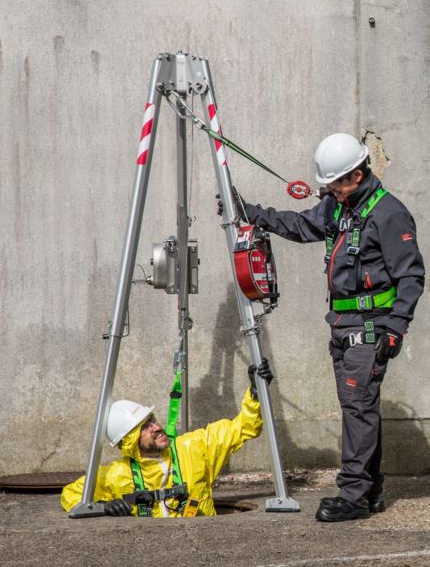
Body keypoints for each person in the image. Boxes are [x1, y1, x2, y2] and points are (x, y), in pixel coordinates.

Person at [231, 133, 425, 522]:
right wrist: (252, 213)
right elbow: (301, 226)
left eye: (334, 183)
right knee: (360, 408)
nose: (328, 190)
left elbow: (412, 277)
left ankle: (352, 496)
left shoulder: (389, 214)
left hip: (370, 329)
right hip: (342, 324)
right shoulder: (340, 207)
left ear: (356, 174)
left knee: (357, 407)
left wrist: (396, 327)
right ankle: (369, 490)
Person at [61, 360, 272, 517]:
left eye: (152, 420)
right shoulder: (117, 475)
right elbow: (71, 493)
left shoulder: (194, 447)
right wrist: (102, 507)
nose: (156, 427)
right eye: (145, 427)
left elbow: (244, 427)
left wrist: (255, 392)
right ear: (130, 441)